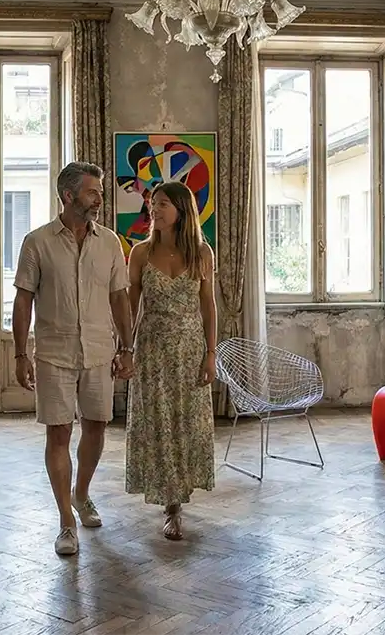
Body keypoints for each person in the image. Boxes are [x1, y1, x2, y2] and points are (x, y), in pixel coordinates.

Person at [11, 161, 135, 556]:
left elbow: (119, 297)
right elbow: (23, 299)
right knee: (59, 433)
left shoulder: (109, 242)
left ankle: (82, 494)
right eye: (92, 192)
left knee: (96, 427)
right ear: (68, 196)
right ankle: (66, 520)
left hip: (99, 351)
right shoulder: (37, 242)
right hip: (54, 353)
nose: (99, 199)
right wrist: (20, 353)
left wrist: (127, 347)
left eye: (100, 192)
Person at [123, 181, 217, 540]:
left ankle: (180, 492)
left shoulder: (202, 252)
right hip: (153, 350)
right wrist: (124, 348)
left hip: (190, 350)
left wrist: (211, 354)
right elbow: (131, 306)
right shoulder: (141, 253)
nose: (154, 209)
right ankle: (170, 504)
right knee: (158, 422)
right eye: (153, 204)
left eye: (162, 204)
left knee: (186, 422)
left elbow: (208, 306)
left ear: (181, 209)